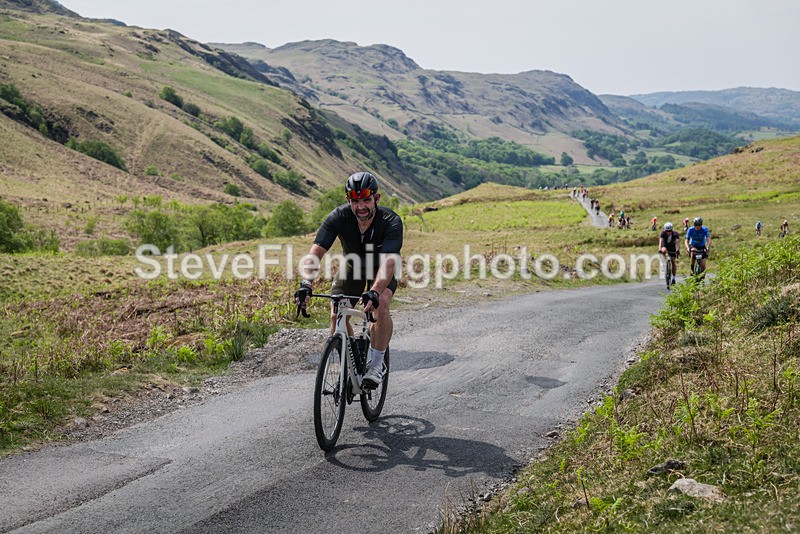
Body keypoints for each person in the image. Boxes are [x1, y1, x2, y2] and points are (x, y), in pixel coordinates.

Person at [295, 172, 403, 388]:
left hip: (382, 270)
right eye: (355, 201)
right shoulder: (338, 217)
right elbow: (316, 252)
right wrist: (306, 283)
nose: (361, 206)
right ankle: (351, 358)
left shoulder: (391, 221)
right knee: (337, 315)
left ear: (377, 199)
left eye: (366, 200)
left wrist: (374, 291)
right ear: (348, 200)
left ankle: (376, 364)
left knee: (379, 307)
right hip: (352, 267)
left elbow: (389, 263)